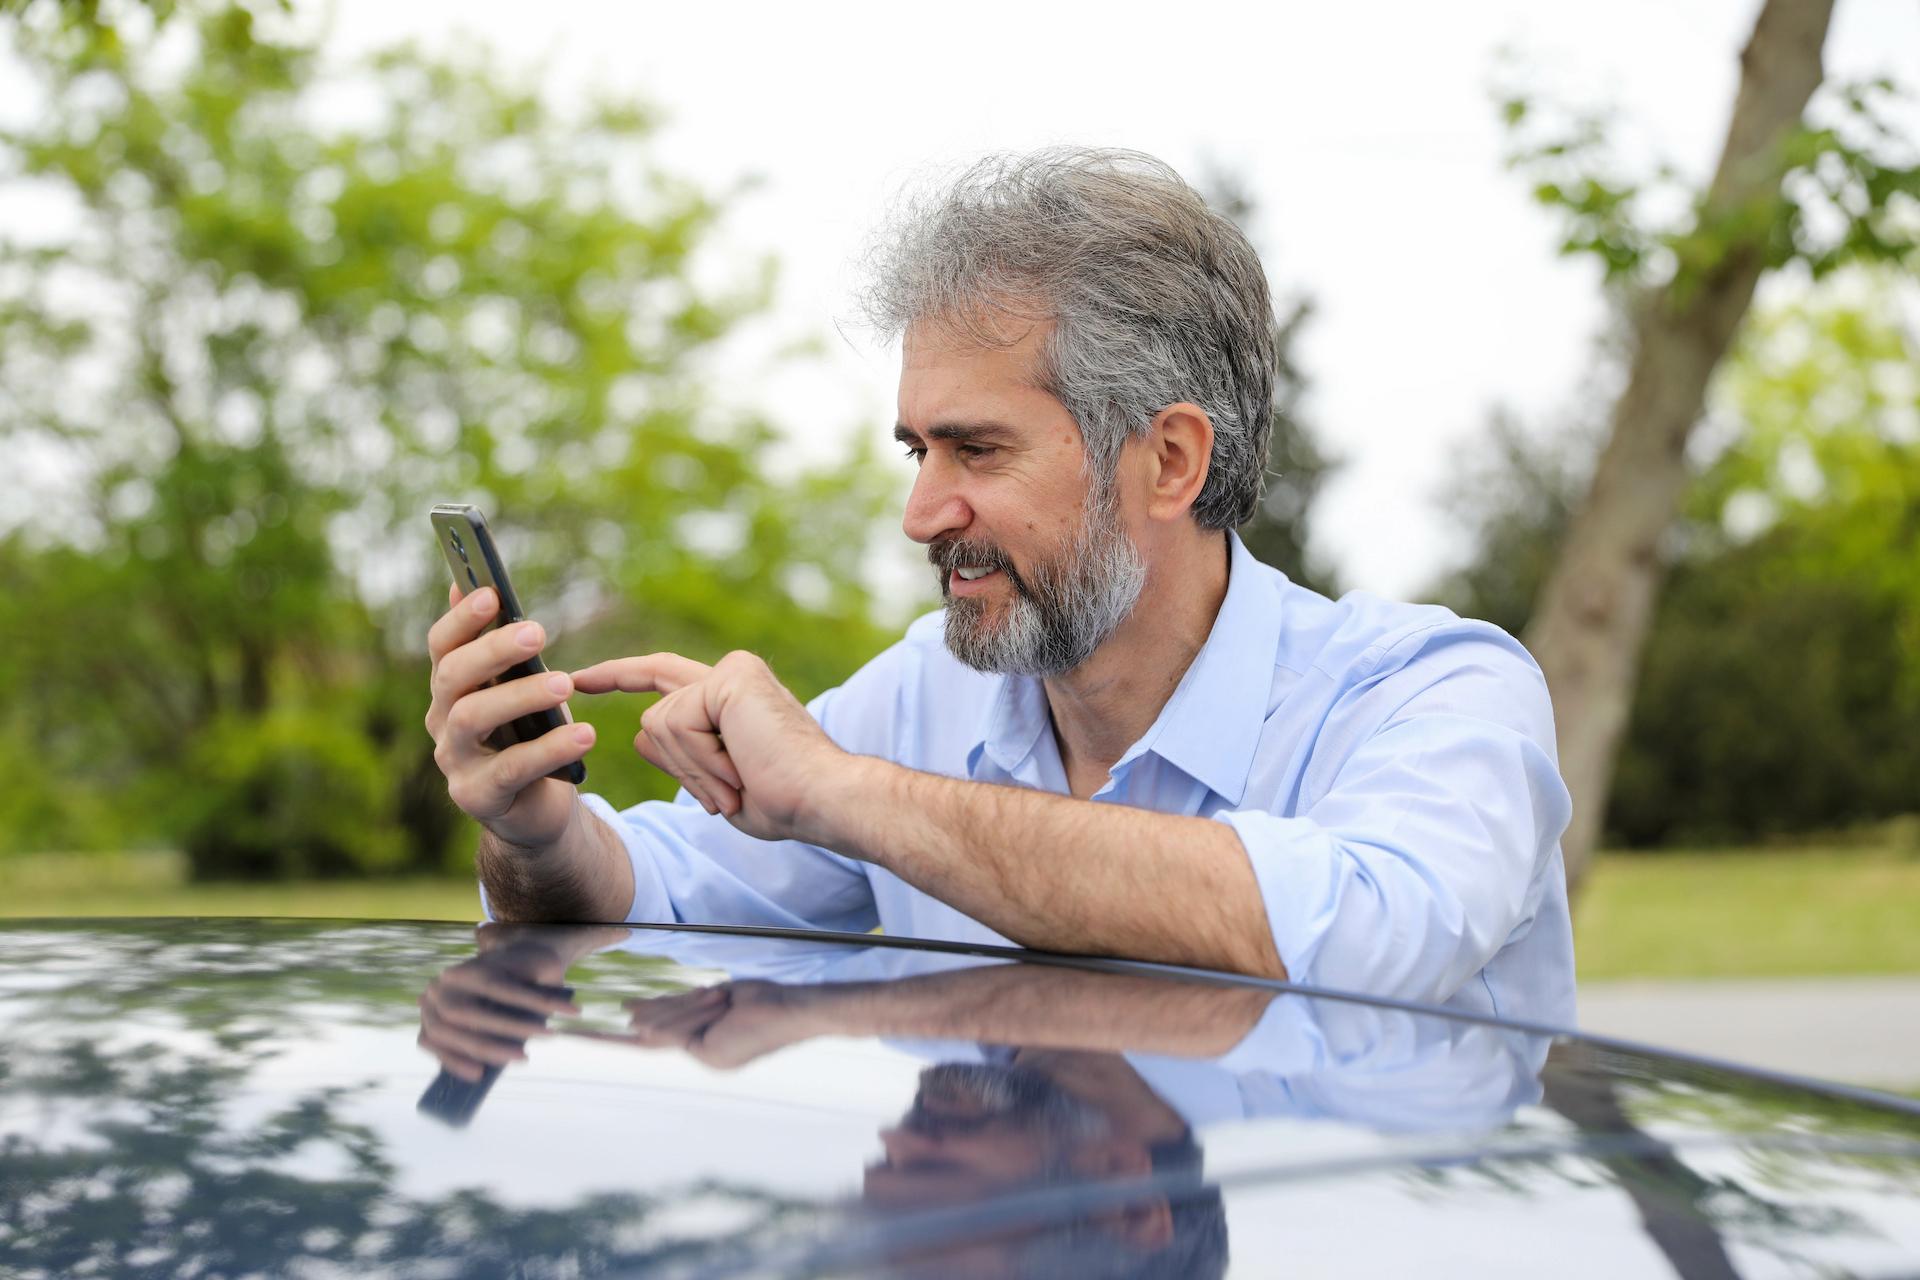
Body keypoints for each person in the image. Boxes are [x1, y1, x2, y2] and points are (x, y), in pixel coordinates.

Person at [422, 147, 1576, 1024]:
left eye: (977, 451)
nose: (923, 512)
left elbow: (1370, 934)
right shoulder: (930, 692)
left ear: (1168, 460)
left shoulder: (1436, 691)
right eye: (915, 451)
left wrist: (842, 791)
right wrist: (533, 831)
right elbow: (653, 895)